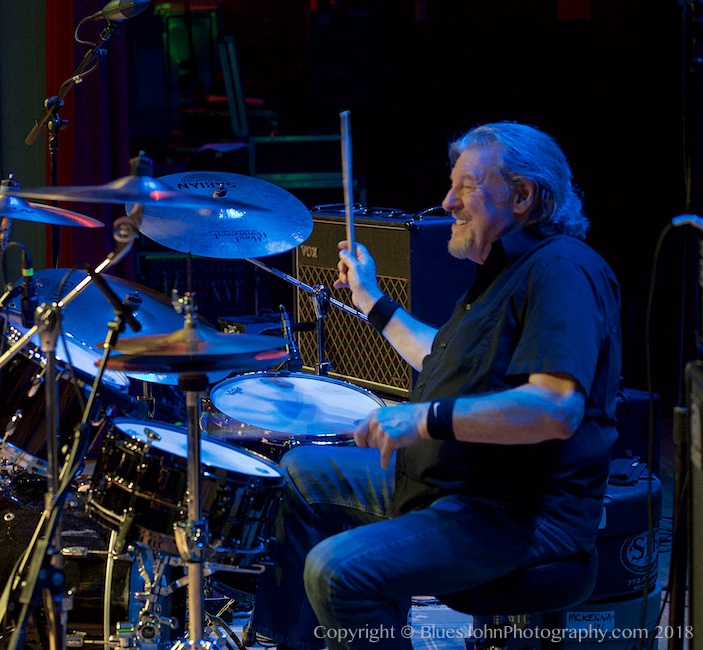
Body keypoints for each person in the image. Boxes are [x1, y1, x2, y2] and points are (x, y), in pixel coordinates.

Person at [248, 122, 622, 649]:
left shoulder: (562, 269)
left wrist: (421, 418)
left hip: (515, 513)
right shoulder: (501, 274)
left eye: (466, 185)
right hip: (454, 483)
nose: (447, 201)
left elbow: (556, 406)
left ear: (522, 195)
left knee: (338, 571)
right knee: (301, 472)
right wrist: (370, 300)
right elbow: (440, 355)